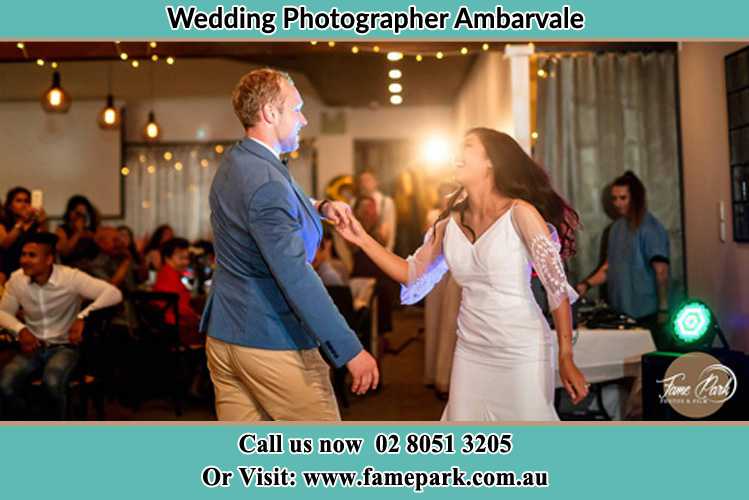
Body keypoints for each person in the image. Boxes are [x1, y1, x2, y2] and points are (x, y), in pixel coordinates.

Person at [336, 128, 589, 421]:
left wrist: (566, 354)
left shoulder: (521, 213)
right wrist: (361, 239)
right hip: (470, 350)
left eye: (467, 146)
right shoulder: (450, 222)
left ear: (491, 161)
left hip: (520, 348)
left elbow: (556, 290)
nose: (456, 154)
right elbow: (411, 274)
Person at [200, 68, 378, 421]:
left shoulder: (239, 161)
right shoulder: (266, 180)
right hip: (270, 339)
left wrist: (321, 207)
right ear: (269, 113)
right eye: (296, 109)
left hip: (225, 338)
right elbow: (296, 277)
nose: (304, 119)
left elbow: (268, 207)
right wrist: (350, 349)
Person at [0, 232, 122, 418]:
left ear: (49, 259)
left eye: (32, 255)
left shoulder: (70, 277)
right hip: (33, 348)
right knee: (5, 383)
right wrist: (21, 329)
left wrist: (83, 316)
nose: (24, 260)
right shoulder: (17, 279)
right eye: (23, 254)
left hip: (65, 347)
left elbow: (113, 294)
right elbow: (2, 312)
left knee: (53, 381)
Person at [575, 171, 670, 329]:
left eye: (623, 198)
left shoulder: (650, 228)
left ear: (635, 198)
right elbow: (608, 268)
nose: (617, 203)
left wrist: (663, 308)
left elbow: (661, 271)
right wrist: (586, 285)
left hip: (647, 315)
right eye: (615, 198)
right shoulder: (616, 229)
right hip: (620, 315)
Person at [153, 238, 204, 347]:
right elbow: (181, 308)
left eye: (187, 258)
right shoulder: (169, 277)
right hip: (176, 327)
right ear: (167, 258)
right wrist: (198, 319)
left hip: (171, 324)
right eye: (181, 258)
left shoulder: (167, 273)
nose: (186, 262)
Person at [1, 187, 47, 278]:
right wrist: (22, 222)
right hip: (9, 270)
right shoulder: (3, 224)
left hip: (33, 271)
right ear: (10, 205)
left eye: (26, 201)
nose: (23, 205)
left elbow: (45, 245)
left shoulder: (35, 224)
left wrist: (42, 223)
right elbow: (5, 244)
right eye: (19, 201)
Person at [355, 170, 397, 252]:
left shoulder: (385, 202)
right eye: (361, 181)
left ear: (376, 182)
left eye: (367, 180)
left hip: (379, 249)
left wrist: (388, 252)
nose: (364, 184)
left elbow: (391, 230)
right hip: (359, 251)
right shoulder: (354, 202)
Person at [56, 195, 100, 267]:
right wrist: (78, 232)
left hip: (93, 267)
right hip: (71, 269)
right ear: (70, 212)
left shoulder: (91, 229)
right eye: (78, 213)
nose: (79, 217)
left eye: (83, 214)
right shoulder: (62, 230)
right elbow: (65, 253)